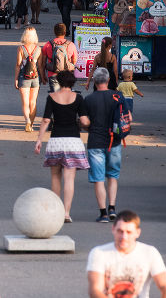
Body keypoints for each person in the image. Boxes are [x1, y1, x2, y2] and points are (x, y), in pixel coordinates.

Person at [34, 70, 89, 223]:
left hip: (56, 141)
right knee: (69, 179)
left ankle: (55, 211)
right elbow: (84, 121)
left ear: (58, 81)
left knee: (55, 177)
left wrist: (39, 140)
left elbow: (46, 120)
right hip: (73, 141)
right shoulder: (78, 98)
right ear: (73, 82)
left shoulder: (51, 97)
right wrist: (90, 125)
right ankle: (66, 213)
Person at [87, 210, 166, 298]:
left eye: (129, 232)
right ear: (113, 229)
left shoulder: (150, 253)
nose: (124, 237)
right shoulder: (99, 253)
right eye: (120, 231)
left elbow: (165, 286)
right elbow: (95, 289)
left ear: (137, 232)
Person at [85, 68, 126, 223]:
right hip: (114, 141)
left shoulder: (89, 100)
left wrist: (88, 126)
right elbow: (128, 117)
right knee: (113, 176)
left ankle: (103, 213)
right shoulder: (118, 97)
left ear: (95, 81)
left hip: (95, 141)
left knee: (98, 178)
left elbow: (84, 121)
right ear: (108, 80)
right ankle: (112, 208)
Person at [14, 26, 42, 133]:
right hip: (35, 77)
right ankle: (32, 124)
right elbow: (40, 65)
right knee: (33, 102)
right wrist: (42, 78)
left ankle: (27, 122)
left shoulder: (21, 48)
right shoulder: (39, 49)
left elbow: (18, 64)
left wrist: (16, 79)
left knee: (25, 103)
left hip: (23, 77)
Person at [40, 23, 78, 93]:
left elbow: (43, 63)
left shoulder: (48, 45)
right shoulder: (71, 44)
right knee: (66, 97)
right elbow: (74, 60)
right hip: (66, 74)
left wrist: (43, 76)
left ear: (54, 32)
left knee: (56, 98)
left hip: (53, 74)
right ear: (65, 32)